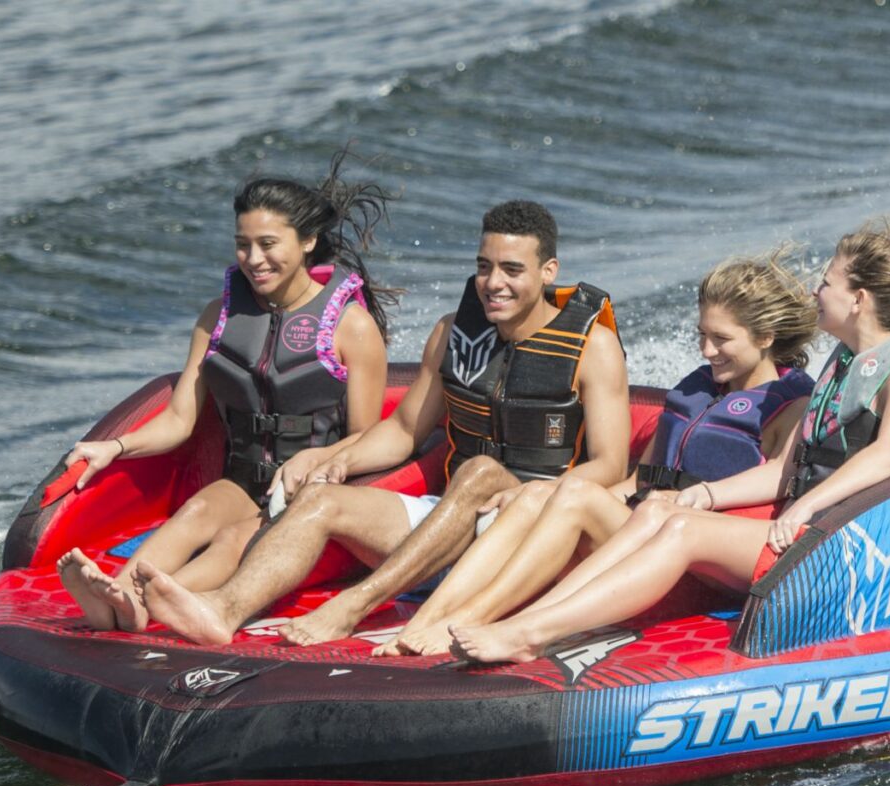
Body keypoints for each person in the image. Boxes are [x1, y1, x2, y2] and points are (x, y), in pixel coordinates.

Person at [450, 221, 890, 664]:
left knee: (680, 529)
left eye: (827, 282)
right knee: (661, 511)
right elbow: (791, 467)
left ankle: (531, 634)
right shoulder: (847, 366)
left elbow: (888, 455)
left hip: (849, 551)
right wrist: (706, 494)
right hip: (814, 531)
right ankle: (532, 620)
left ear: (859, 299)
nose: (815, 291)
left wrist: (803, 507)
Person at [136, 199, 631, 646]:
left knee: (479, 473)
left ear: (548, 271)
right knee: (322, 500)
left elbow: (610, 465)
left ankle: (355, 604)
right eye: (484, 267)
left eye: (511, 270)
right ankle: (222, 609)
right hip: (453, 523)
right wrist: (332, 457)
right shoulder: (451, 334)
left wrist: (526, 495)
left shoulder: (593, 347)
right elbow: (403, 431)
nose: (493, 283)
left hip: (537, 534)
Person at [376, 248, 818, 657]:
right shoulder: (699, 388)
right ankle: (442, 614)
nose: (707, 351)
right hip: (645, 524)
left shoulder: (791, 404)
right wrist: (551, 502)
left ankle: (502, 622)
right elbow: (639, 482)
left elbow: (780, 487)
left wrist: (693, 498)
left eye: (722, 339)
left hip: (700, 561)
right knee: (540, 495)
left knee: (572, 497)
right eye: (702, 334)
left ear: (765, 338)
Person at [54, 154, 395, 632]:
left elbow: (370, 437)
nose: (254, 260)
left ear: (307, 242)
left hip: (312, 493)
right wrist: (115, 446)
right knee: (194, 513)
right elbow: (179, 420)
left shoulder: (350, 326)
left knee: (236, 539)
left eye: (268, 244)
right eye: (243, 245)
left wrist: (314, 463)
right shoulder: (218, 316)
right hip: (243, 478)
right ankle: (118, 594)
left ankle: (144, 604)